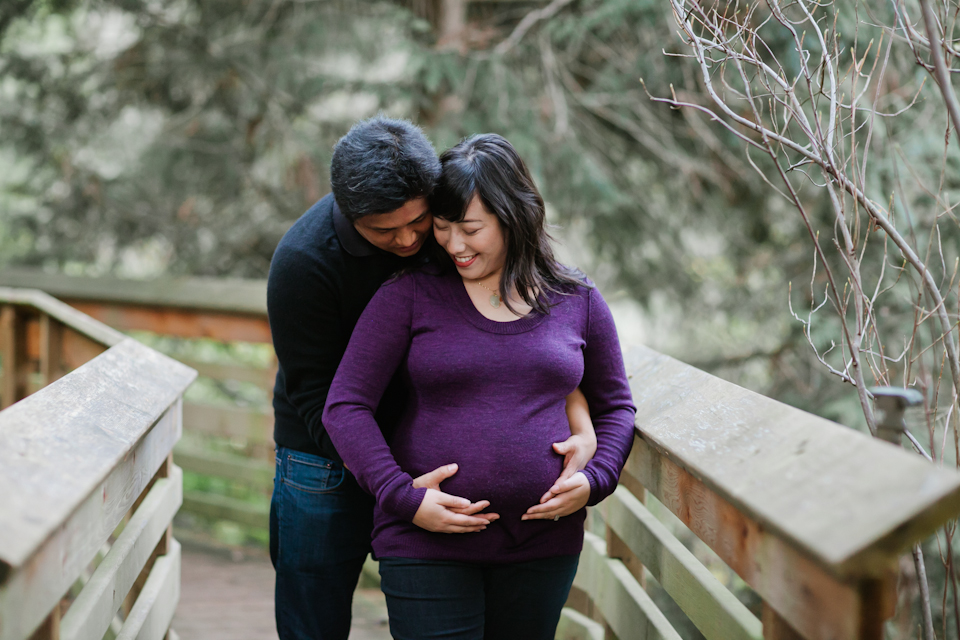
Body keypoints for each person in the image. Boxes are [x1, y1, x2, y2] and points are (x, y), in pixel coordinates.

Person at [266, 117, 599, 640]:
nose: (406, 240)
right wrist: (397, 485)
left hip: (425, 455)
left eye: (419, 223)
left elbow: (533, 348)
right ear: (348, 212)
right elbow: (320, 398)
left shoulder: (444, 232)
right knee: (315, 617)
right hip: (324, 459)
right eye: (383, 230)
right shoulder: (303, 264)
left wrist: (581, 421)